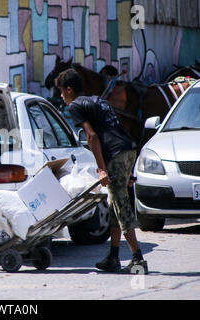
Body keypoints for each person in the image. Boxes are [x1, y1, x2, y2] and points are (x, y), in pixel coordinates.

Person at [55, 69, 148, 274]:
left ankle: (138, 259)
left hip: (115, 156)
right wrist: (127, 170)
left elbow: (92, 137)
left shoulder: (76, 106)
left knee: (121, 206)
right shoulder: (99, 100)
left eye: (61, 92)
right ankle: (114, 257)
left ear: (69, 90)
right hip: (128, 150)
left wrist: (101, 169)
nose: (61, 96)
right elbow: (117, 131)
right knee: (114, 204)